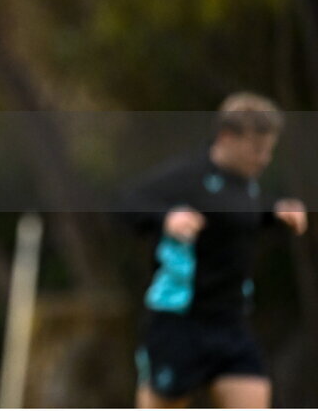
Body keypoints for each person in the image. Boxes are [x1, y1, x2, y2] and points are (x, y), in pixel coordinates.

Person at [122, 92, 308, 408]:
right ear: (226, 137)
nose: (263, 159)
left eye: (268, 151)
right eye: (256, 150)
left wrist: (275, 213)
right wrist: (166, 217)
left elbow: (233, 218)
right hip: (179, 322)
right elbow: (126, 204)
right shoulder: (186, 177)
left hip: (231, 324)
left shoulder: (249, 184)